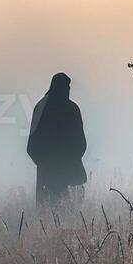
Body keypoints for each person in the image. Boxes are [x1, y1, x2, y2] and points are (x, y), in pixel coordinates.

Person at [26, 72, 87, 205]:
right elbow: (81, 144)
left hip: (51, 174)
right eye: (66, 87)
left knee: (51, 215)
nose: (68, 90)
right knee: (66, 215)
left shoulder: (41, 107)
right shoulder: (72, 109)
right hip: (65, 173)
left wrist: (45, 164)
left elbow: (31, 147)